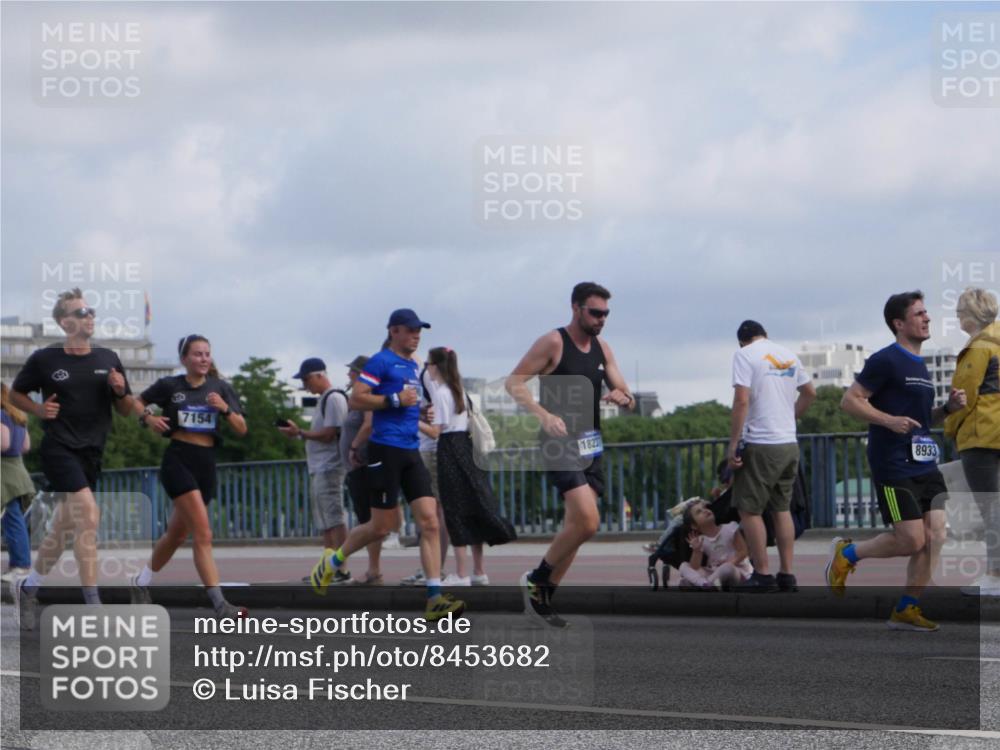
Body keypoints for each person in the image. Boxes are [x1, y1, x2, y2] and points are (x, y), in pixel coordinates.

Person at [309, 309, 465, 621]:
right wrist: (395, 400)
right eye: (410, 330)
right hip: (385, 450)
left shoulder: (413, 364)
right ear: (394, 331)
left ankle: (434, 598)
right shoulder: (380, 361)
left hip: (411, 450)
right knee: (382, 527)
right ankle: (333, 562)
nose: (416, 335)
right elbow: (356, 399)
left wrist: (421, 414)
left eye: (419, 330)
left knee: (430, 521)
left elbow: (408, 403)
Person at [830, 291, 966, 631]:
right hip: (893, 464)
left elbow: (920, 419)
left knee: (936, 536)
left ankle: (907, 607)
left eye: (926, 313)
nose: (927, 318)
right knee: (911, 540)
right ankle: (847, 554)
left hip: (924, 461)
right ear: (899, 323)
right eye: (919, 313)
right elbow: (850, 401)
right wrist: (889, 420)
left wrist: (946, 410)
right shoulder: (886, 360)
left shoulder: (921, 365)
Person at [507, 282, 635, 627]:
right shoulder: (553, 342)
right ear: (576, 308)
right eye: (595, 312)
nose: (601, 319)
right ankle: (536, 579)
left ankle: (542, 598)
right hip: (558, 442)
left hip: (590, 442)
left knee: (577, 527)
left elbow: (624, 391)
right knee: (588, 521)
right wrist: (544, 415)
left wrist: (624, 398)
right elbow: (514, 383)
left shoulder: (602, 348)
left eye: (606, 313)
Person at [10, 289, 135, 629]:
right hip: (59, 448)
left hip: (92, 453)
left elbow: (125, 410)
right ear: (65, 322)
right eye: (82, 312)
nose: (89, 316)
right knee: (89, 515)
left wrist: (121, 390)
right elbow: (14, 393)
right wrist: (38, 409)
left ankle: (28, 588)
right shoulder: (44, 359)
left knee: (64, 530)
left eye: (91, 311)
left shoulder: (108, 358)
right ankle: (93, 605)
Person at [129, 334, 248, 619]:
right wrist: (148, 418)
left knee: (176, 534)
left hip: (206, 464)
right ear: (184, 359)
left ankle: (140, 582)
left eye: (207, 353)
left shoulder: (220, 388)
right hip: (178, 459)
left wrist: (226, 409)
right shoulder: (171, 386)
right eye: (197, 354)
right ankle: (220, 604)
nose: (204, 358)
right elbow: (136, 401)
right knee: (203, 533)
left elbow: (242, 428)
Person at [727, 320, 815, 592]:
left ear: (742, 341)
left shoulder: (744, 355)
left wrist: (732, 444)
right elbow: (810, 393)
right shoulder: (788, 354)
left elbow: (741, 400)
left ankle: (763, 575)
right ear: (764, 335)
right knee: (781, 508)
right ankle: (787, 574)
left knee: (749, 509)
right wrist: (790, 417)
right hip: (789, 443)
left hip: (761, 443)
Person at [424, 346, 516, 585]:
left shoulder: (441, 393)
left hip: (450, 450)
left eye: (429, 364)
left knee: (455, 510)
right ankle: (479, 571)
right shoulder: (461, 392)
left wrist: (413, 421)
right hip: (467, 448)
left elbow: (436, 432)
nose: (427, 368)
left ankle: (461, 574)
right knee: (474, 506)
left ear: (437, 366)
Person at [945, 288, 1000, 597]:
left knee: (991, 509)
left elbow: (962, 399)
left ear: (971, 314)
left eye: (960, 311)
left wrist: (949, 428)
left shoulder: (978, 347)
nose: (957, 316)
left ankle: (994, 575)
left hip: (982, 436)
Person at [280, 357, 351, 585]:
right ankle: (327, 569)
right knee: (326, 521)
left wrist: (300, 433)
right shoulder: (324, 400)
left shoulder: (334, 398)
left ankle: (341, 569)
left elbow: (330, 433)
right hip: (321, 467)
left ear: (320, 375)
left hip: (331, 466)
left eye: (307, 378)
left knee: (334, 518)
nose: (305, 384)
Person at [341, 355, 384, 585]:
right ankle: (372, 569)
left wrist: (354, 447)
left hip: (363, 463)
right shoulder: (356, 397)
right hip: (357, 465)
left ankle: (374, 570)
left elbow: (368, 424)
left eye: (352, 371)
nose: (349, 375)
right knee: (366, 518)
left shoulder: (367, 396)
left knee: (369, 519)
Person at [678, 499, 752, 590]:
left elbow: (743, 552)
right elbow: (695, 567)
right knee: (683, 566)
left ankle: (700, 583)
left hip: (737, 571)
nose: (705, 510)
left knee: (727, 568)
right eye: (699, 512)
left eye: (704, 508)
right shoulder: (700, 540)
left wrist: (729, 563)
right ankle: (704, 583)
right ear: (694, 525)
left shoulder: (730, 528)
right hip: (714, 572)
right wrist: (696, 550)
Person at [2, 383, 35, 582]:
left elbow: (3, 444)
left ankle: (21, 565)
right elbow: (26, 446)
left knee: (12, 520)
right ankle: (18, 564)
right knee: (14, 520)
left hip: (4, 474)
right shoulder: (18, 417)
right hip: (18, 471)